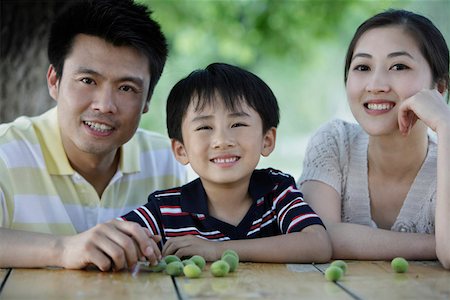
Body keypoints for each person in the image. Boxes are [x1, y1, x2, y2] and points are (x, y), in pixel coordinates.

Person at [0, 0, 187, 271]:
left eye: (126, 88)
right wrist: (63, 250)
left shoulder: (167, 161)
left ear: (147, 100)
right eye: (88, 81)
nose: (104, 105)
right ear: (54, 80)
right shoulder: (5, 152)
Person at [119, 62, 332, 263]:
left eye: (238, 123)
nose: (222, 141)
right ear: (181, 149)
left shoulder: (276, 191)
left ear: (267, 140)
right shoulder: (165, 210)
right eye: (204, 128)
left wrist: (218, 249)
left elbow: (318, 244)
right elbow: (114, 237)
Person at [298, 9, 450, 269]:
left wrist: (446, 126)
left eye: (399, 66)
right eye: (362, 67)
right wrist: (432, 244)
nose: (376, 84)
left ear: (439, 88)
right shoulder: (334, 143)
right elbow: (317, 236)